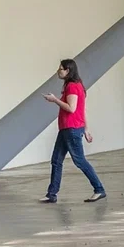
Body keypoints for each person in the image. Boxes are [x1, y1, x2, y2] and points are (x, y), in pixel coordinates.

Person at [40, 58, 106, 203]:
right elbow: (82, 110)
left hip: (72, 129)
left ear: (68, 70)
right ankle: (51, 194)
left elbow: (72, 108)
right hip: (67, 129)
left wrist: (55, 100)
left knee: (79, 160)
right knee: (56, 160)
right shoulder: (75, 85)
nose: (58, 71)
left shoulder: (72, 86)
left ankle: (99, 189)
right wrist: (86, 129)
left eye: (61, 69)